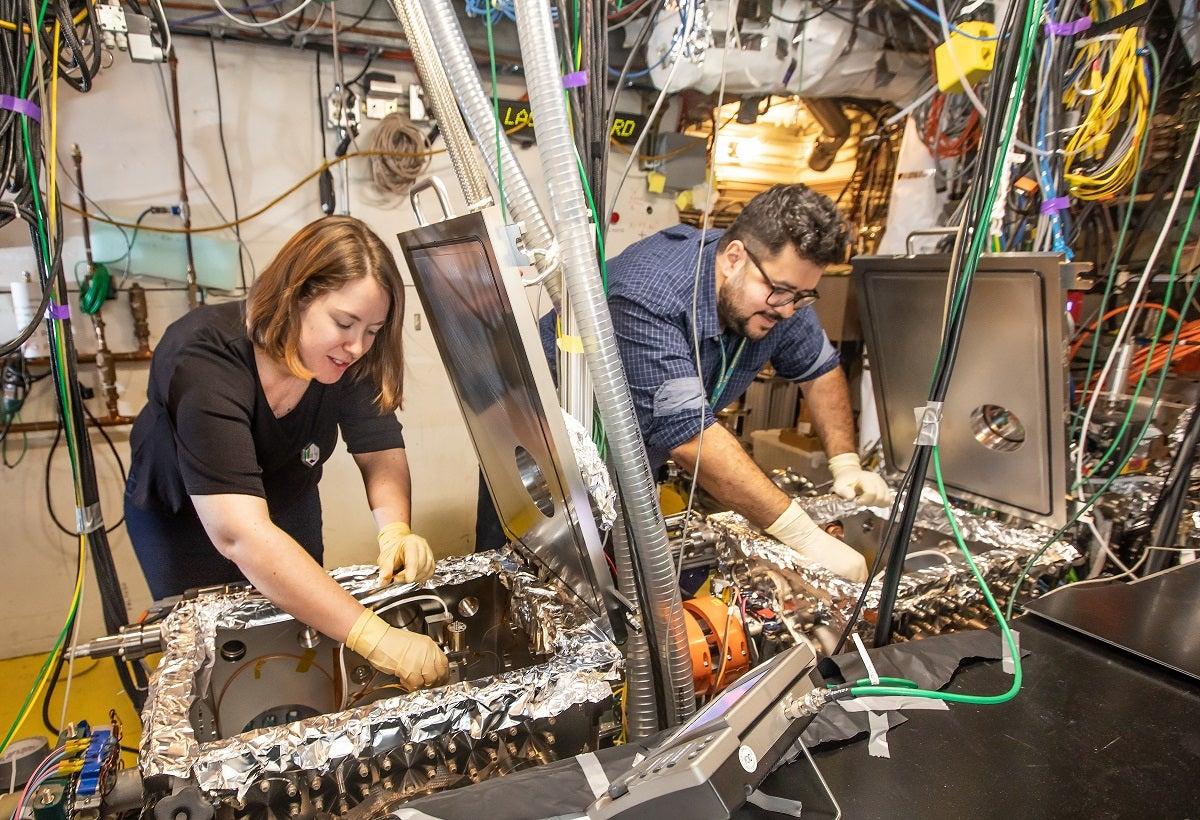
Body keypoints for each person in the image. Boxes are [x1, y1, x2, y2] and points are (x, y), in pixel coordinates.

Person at [124, 216, 447, 690]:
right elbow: (241, 535)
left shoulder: (345, 355)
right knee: (216, 665)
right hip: (191, 521)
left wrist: (395, 527)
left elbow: (379, 449)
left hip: (286, 499)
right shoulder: (203, 360)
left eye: (374, 330)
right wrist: (375, 637)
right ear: (296, 296)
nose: (357, 346)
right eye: (344, 323)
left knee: (300, 645)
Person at [537, 184, 888, 581]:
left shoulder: (779, 294)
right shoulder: (649, 296)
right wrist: (806, 537)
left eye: (804, 296)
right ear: (734, 257)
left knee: (622, 599)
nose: (789, 309)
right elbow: (690, 438)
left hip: (633, 468)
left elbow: (819, 369)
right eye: (781, 292)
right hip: (548, 466)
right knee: (540, 591)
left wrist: (846, 463)